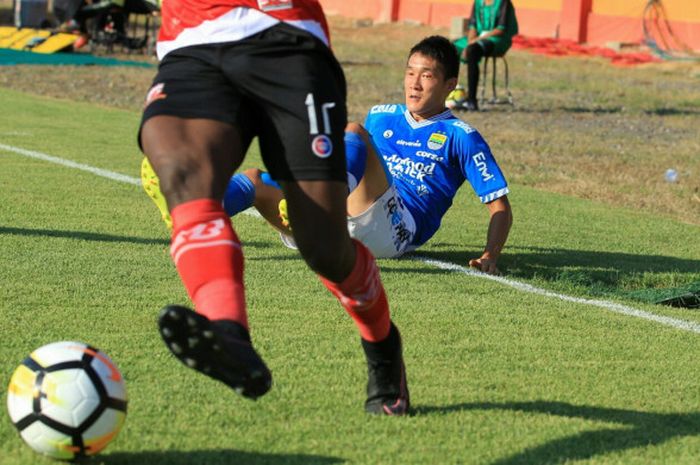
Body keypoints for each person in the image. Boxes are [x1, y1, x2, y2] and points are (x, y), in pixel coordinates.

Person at [138, 0, 409, 416]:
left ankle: (383, 347)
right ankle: (227, 331)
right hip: (191, 37)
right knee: (180, 171)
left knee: (324, 248)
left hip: (286, 37)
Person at [142, 35, 513, 275]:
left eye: (427, 76)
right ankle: (191, 217)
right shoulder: (383, 115)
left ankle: (317, 207)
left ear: (450, 85)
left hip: (398, 228)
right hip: (350, 217)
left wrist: (490, 255)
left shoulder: (462, 137)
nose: (414, 84)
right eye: (410, 73)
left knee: (352, 133)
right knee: (254, 180)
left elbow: (500, 207)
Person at [452, 0, 518, 111]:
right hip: (477, 38)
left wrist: (475, 41)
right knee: (450, 47)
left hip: (497, 39)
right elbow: (473, 25)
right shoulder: (478, 2)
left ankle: (472, 101)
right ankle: (449, 93)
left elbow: (500, 29)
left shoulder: (503, 2)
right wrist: (470, 40)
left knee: (472, 51)